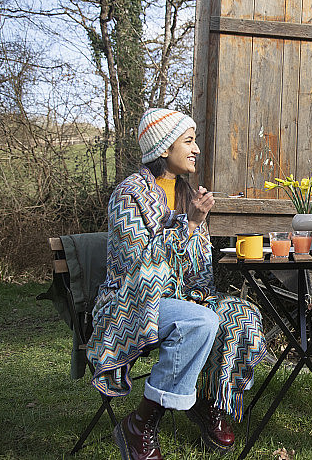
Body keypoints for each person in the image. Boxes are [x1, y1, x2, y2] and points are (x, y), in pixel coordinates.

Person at [86, 108, 266, 460]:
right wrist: (190, 225)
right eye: (189, 140)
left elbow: (198, 267)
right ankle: (140, 423)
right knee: (200, 321)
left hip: (184, 296)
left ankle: (208, 402)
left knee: (242, 315)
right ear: (163, 148)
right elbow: (138, 263)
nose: (197, 148)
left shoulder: (187, 193)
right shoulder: (129, 195)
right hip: (134, 301)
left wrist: (196, 228)